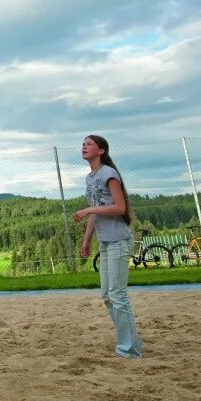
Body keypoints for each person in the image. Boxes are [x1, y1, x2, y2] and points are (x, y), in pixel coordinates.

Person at [73, 134, 143, 358]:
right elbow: (95, 212)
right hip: (104, 242)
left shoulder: (109, 174)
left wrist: (89, 210)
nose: (84, 147)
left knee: (117, 294)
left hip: (119, 240)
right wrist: (86, 240)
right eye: (83, 144)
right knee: (106, 295)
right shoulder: (89, 178)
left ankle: (130, 348)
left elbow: (120, 208)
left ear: (101, 150)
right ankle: (128, 341)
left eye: (89, 144)